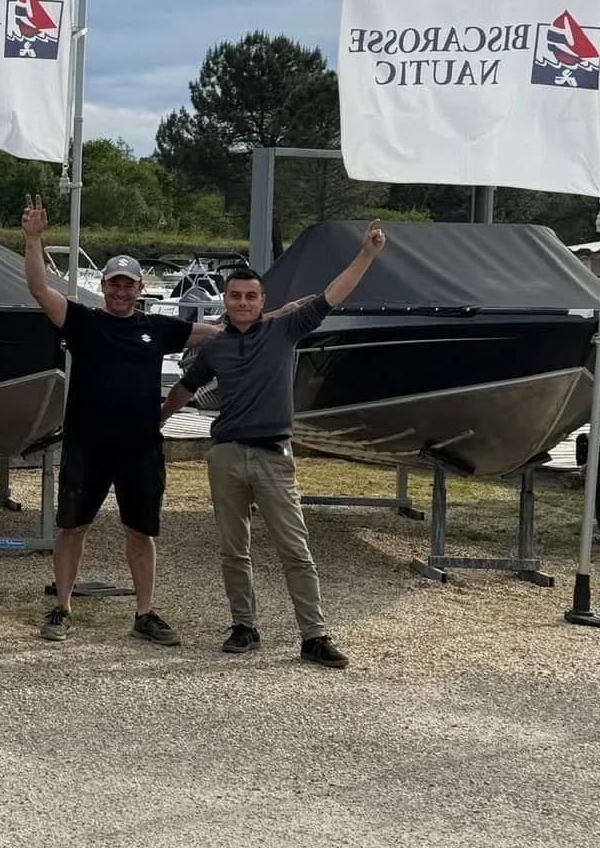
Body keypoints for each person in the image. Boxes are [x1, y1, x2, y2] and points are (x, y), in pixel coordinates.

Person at [160, 223, 388, 669]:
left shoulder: (285, 330)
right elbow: (185, 388)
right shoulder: (216, 349)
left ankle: (314, 635)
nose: (243, 303)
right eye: (235, 296)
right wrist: (157, 422)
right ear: (225, 302)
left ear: (263, 301)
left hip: (273, 455)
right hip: (226, 455)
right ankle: (243, 626)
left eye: (250, 297)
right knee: (233, 548)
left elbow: (332, 294)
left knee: (294, 548)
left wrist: (367, 255)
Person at [21, 196, 235, 646]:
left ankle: (145, 613)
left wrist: (257, 323)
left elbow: (216, 332)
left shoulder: (157, 328)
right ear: (103, 286)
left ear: (139, 288)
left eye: (128, 286)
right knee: (72, 526)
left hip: (139, 446)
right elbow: (40, 289)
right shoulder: (83, 322)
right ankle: (62, 607)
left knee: (141, 530)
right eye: (114, 285)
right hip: (87, 444)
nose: (121, 292)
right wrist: (34, 240)